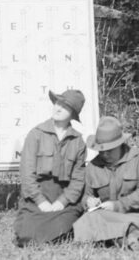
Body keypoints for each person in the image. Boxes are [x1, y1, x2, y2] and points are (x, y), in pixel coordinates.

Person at [73, 116, 139, 246]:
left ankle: (116, 235)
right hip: (108, 216)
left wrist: (117, 205)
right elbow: (86, 195)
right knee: (89, 219)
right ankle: (129, 236)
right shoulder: (93, 167)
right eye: (101, 150)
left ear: (120, 144)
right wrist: (89, 201)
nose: (104, 154)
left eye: (109, 150)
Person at [13, 90, 86, 246]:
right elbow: (27, 174)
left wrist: (62, 202)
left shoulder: (78, 140)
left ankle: (63, 226)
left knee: (62, 226)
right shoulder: (36, 134)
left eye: (64, 107)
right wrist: (41, 202)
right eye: (58, 103)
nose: (58, 108)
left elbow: (78, 179)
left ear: (73, 114)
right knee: (27, 235)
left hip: (64, 198)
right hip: (37, 196)